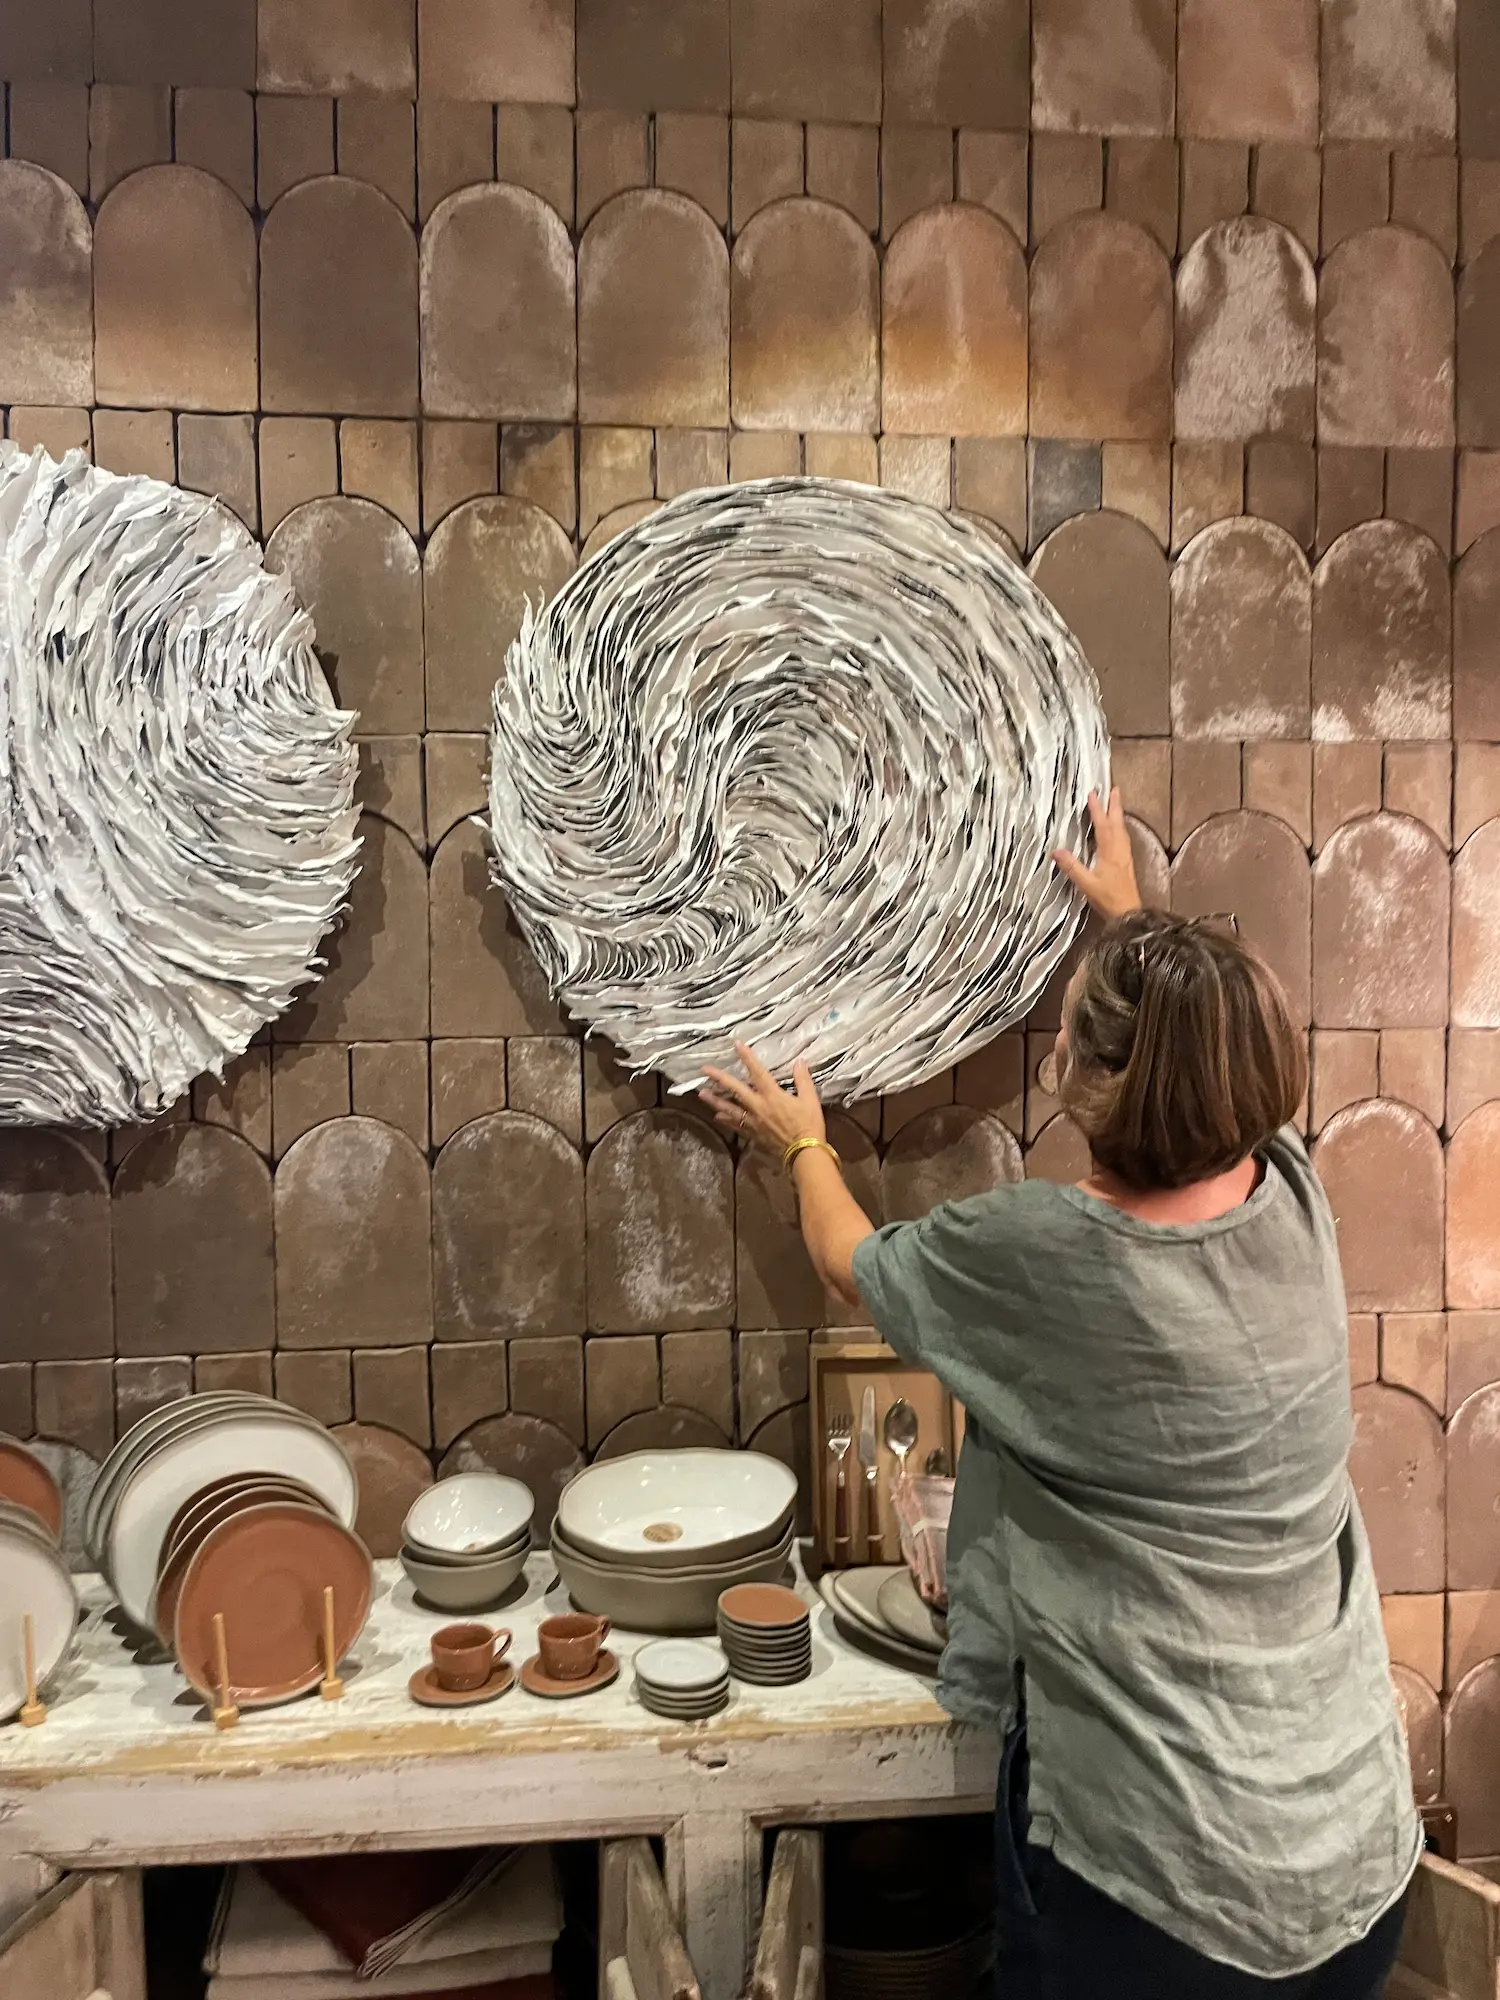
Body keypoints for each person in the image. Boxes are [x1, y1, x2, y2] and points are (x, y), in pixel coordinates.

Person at [701, 787, 1421, 2000]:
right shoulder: (1291, 1195)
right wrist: (1131, 923)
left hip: (1161, 1897)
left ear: (1086, 1076)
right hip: (1350, 1861)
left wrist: (803, 1142)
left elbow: (848, 1259)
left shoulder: (1040, 1256)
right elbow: (1204, 1063)